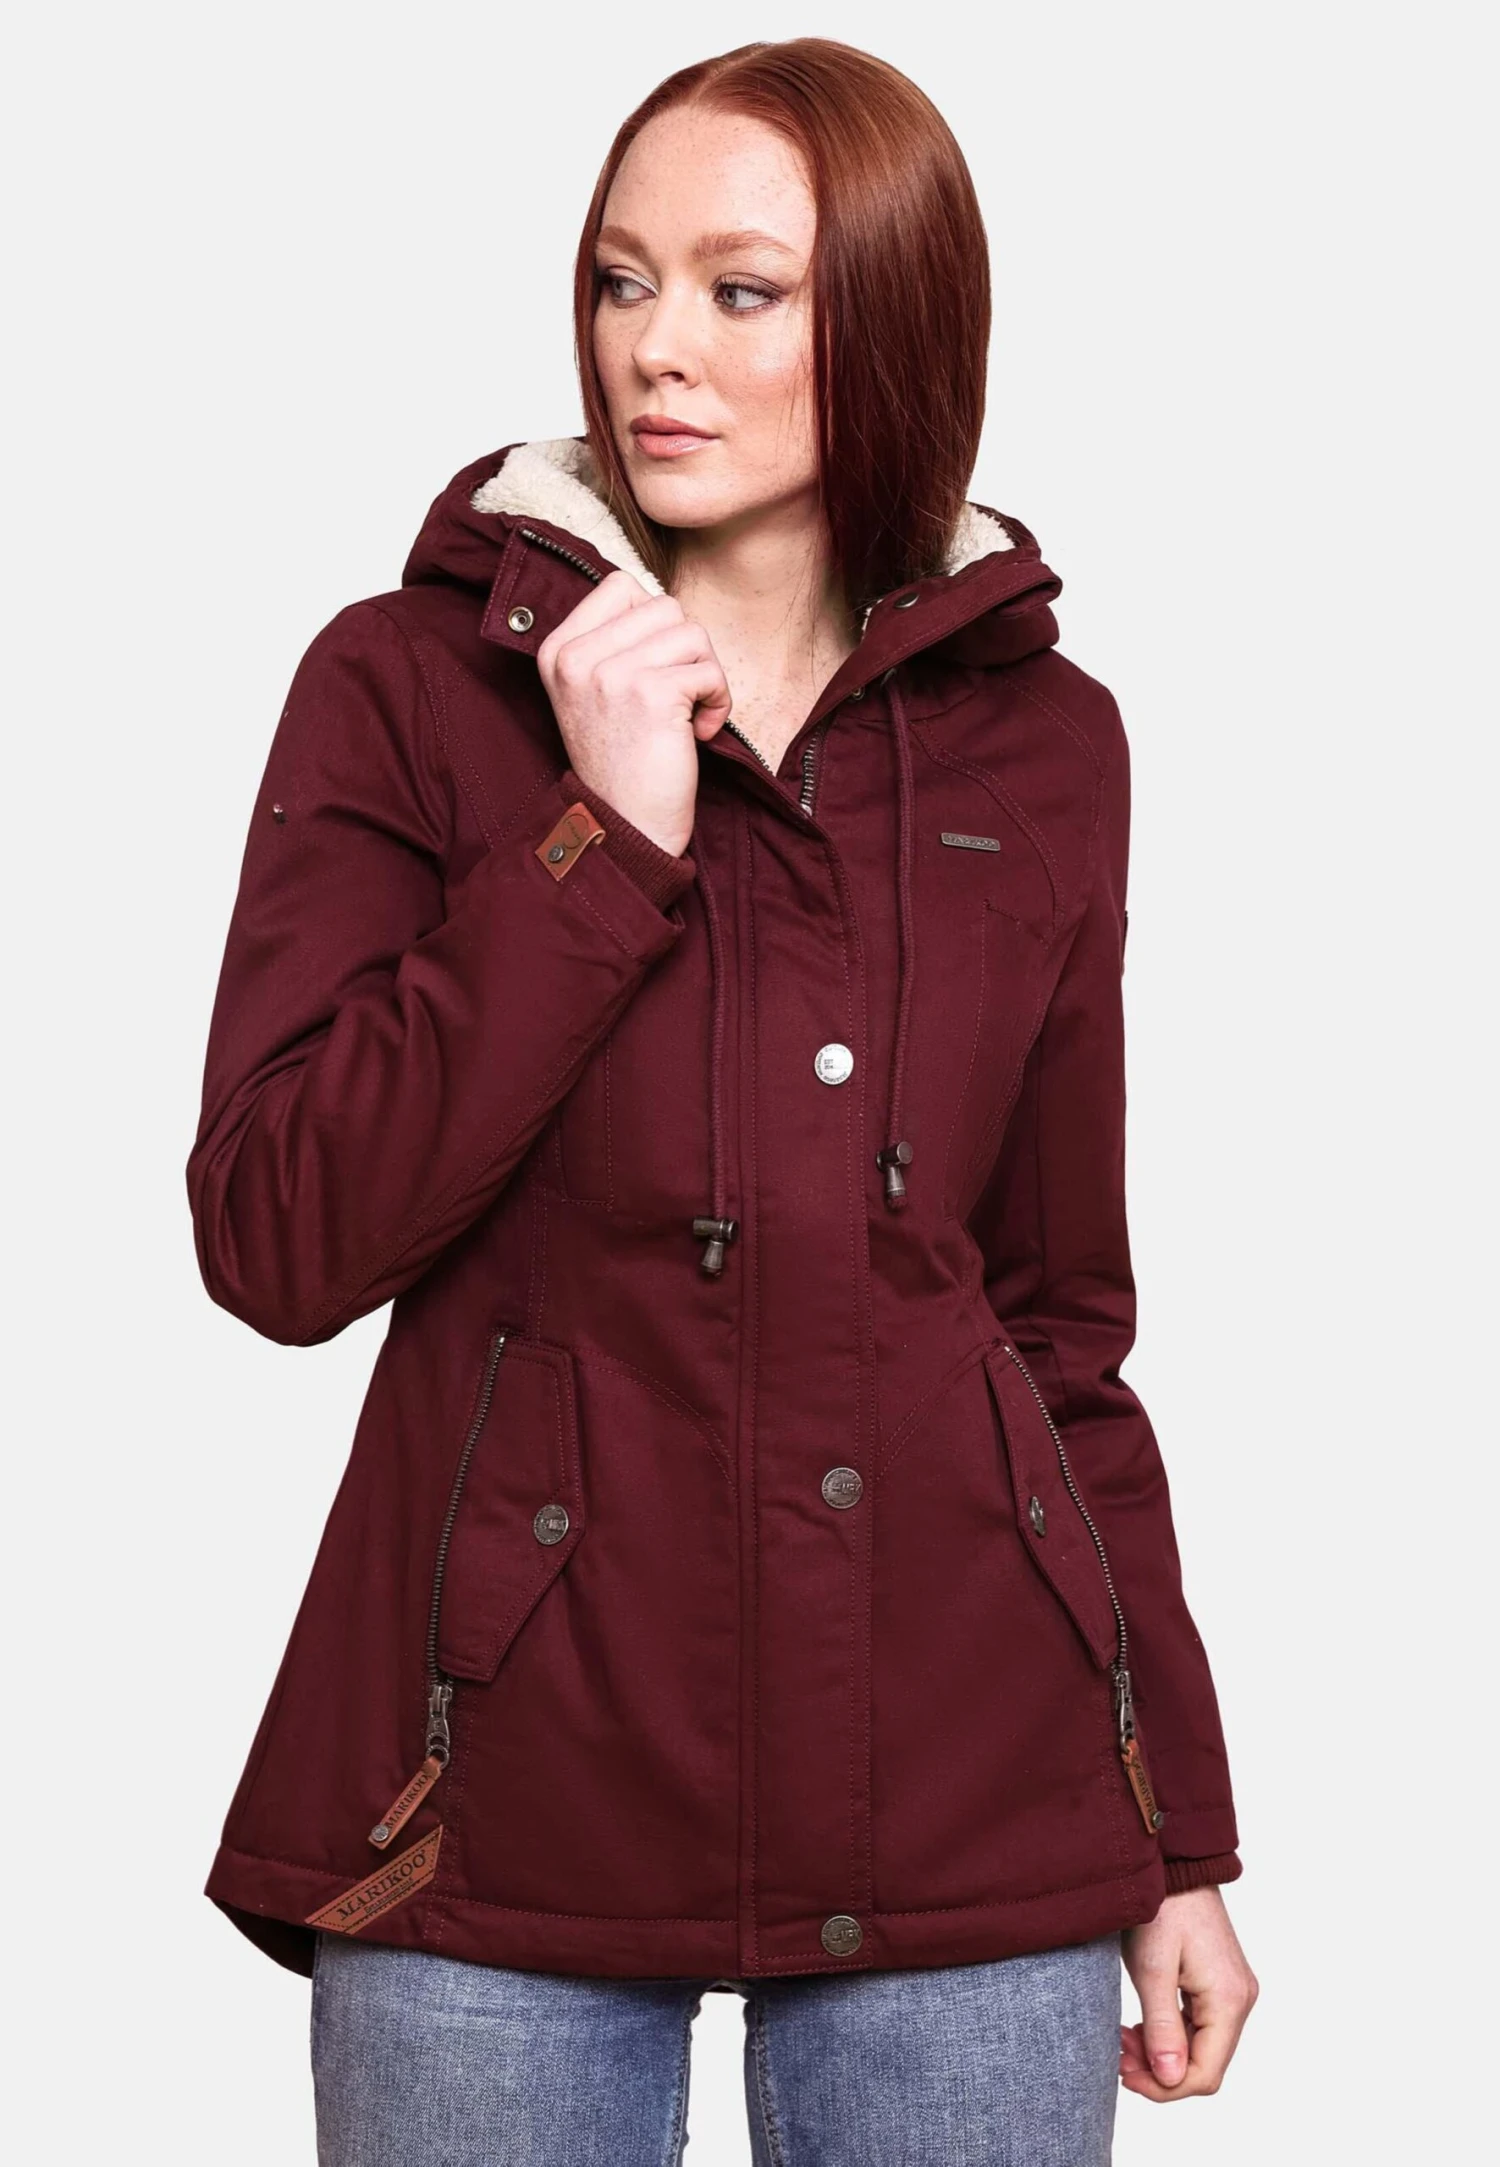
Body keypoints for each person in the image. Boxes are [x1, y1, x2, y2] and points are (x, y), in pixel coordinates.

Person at [188, 35, 1257, 2165]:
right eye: (621, 279)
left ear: (900, 321)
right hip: (495, 1788)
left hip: (969, 1790)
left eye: (740, 290)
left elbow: (1054, 1328)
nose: (654, 347)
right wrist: (599, 844)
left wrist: (1177, 1831)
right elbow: (280, 1235)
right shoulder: (408, 683)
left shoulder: (1050, 741)